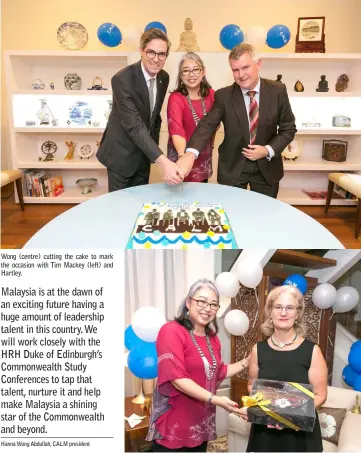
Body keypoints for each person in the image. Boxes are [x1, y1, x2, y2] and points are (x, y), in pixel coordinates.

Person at [179, 43, 297, 198]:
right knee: (232, 216)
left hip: (267, 169)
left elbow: (288, 129)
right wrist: (190, 154)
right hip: (233, 168)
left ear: (258, 64)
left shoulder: (277, 90)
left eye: (245, 67)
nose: (241, 74)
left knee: (264, 217)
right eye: (235, 70)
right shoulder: (223, 96)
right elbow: (206, 127)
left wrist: (268, 150)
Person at [146, 278, 249, 452]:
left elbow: (218, 372)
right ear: (188, 302)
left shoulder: (212, 338)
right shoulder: (171, 330)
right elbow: (178, 378)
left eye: (213, 304)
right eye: (202, 301)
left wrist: (247, 361)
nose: (207, 308)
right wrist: (216, 399)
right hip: (175, 425)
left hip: (201, 422)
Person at [240, 285, 327, 452]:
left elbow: (320, 395)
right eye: (278, 307)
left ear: (297, 314)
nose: (283, 312)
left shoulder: (312, 351)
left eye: (289, 307)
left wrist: (287, 416)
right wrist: (271, 413)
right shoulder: (258, 350)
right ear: (270, 312)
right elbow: (252, 385)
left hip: (299, 433)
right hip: (265, 431)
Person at [96, 28, 184, 191]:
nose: (156, 59)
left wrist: (152, 152)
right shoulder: (122, 79)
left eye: (162, 54)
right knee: (120, 207)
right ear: (141, 51)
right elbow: (133, 125)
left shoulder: (163, 77)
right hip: (120, 155)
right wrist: (162, 160)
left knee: (140, 203)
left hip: (144, 154)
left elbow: (154, 117)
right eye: (151, 52)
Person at [167, 53, 215, 182]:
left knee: (201, 197)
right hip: (180, 153)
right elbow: (176, 129)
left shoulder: (212, 95)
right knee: (180, 197)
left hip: (202, 155)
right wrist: (183, 157)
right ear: (181, 75)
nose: (191, 74)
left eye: (196, 69)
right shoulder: (176, 98)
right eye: (186, 71)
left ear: (203, 71)